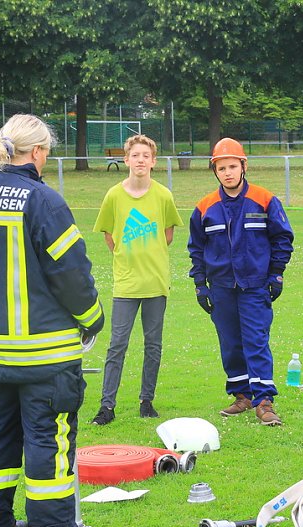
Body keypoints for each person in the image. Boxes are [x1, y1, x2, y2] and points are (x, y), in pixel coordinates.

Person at [0, 114, 104, 527]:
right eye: (47, 152)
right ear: (37, 153)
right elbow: (72, 274)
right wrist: (92, 319)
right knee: (48, 440)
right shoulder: (43, 201)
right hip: (44, 355)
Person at [187, 137, 294, 426]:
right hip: (220, 288)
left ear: (243, 166)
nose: (228, 173)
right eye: (222, 168)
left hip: (255, 285)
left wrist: (276, 273)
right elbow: (196, 248)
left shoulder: (265, 200)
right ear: (215, 171)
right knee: (231, 344)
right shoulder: (205, 207)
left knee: (256, 341)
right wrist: (200, 284)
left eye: (232, 166)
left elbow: (283, 239)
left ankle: (264, 401)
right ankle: (242, 396)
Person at [90, 135, 183, 425]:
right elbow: (110, 236)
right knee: (117, 345)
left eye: (146, 155)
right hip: (126, 284)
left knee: (153, 345)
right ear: (126, 160)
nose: (140, 160)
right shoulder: (114, 196)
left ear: (153, 161)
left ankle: (147, 402)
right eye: (135, 155)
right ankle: (107, 406)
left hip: (155, 282)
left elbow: (167, 235)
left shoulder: (163, 195)